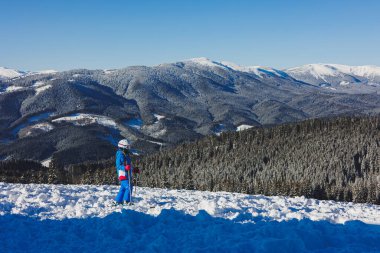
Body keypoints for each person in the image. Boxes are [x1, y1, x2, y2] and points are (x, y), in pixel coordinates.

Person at [114, 139, 139, 205]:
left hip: (127, 174)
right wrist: (124, 167)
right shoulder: (120, 154)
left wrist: (133, 169)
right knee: (129, 187)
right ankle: (126, 201)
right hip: (122, 174)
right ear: (123, 147)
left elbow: (128, 165)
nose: (129, 148)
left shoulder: (126, 154)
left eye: (129, 147)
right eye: (127, 147)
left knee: (123, 188)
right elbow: (118, 165)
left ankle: (118, 201)